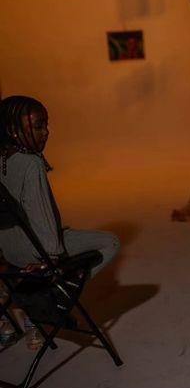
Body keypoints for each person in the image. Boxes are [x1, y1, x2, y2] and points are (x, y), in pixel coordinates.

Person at [0, 95, 120, 279]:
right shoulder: (31, 163)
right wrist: (51, 257)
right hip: (36, 251)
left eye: (46, 125)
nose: (46, 132)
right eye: (38, 126)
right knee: (111, 242)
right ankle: (62, 284)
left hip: (8, 251)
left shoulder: (2, 159)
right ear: (12, 130)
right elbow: (40, 212)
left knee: (65, 234)